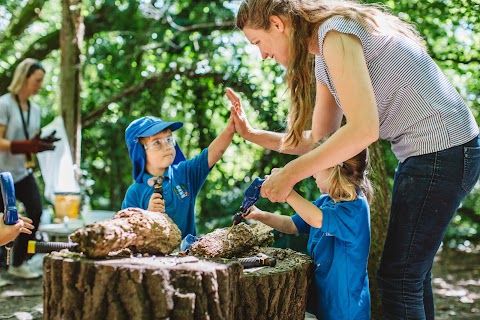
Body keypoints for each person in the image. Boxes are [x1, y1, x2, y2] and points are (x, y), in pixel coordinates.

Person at [228, 0, 480, 318]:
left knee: (399, 280)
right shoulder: (323, 57)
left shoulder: (336, 34)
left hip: (444, 150)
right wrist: (251, 134)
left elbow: (363, 130)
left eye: (258, 43)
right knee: (410, 278)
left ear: (278, 25)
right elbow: (321, 141)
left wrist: (289, 175)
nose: (262, 54)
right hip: (430, 154)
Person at [122, 115, 235, 238]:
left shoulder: (185, 173)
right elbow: (127, 235)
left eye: (169, 139)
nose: (167, 146)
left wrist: (231, 127)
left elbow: (213, 153)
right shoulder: (134, 193)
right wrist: (148, 216)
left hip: (187, 256)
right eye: (157, 143)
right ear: (140, 152)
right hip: (149, 257)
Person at [0, 58, 59, 279]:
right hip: (2, 173)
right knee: (2, 220)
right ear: (24, 79)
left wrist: (39, 145)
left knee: (35, 210)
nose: (40, 85)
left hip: (22, 171)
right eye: (37, 80)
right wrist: (24, 145)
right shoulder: (4, 104)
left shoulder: (35, 109)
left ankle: (19, 262)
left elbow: (29, 141)